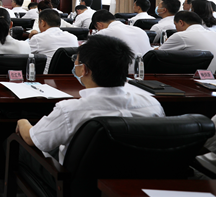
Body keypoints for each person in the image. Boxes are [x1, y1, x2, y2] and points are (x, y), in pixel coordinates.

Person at [15, 35, 164, 167]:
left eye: (76, 60)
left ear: (84, 69)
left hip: (72, 183)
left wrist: (22, 122)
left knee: (15, 144)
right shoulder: (152, 105)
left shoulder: (70, 110)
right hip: (134, 182)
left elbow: (31, 139)